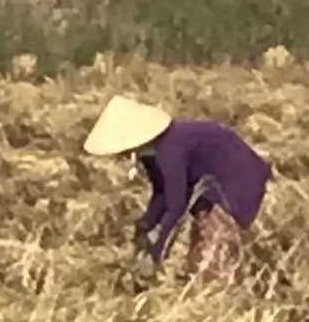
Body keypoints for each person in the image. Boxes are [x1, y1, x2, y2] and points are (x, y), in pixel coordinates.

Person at [84, 95, 272, 284]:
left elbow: (176, 205)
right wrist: (146, 223)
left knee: (216, 240)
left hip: (237, 177)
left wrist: (157, 248)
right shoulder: (151, 153)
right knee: (202, 234)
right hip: (211, 183)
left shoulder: (169, 149)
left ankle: (219, 290)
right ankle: (195, 279)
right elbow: (161, 191)